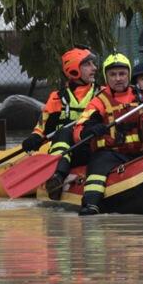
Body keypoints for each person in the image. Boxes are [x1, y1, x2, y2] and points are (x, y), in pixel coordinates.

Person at [73, 53, 143, 215]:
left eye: (122, 74)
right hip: (112, 154)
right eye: (113, 75)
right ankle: (90, 204)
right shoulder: (98, 101)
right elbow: (79, 130)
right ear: (106, 77)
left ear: (128, 74)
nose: (118, 78)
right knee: (98, 163)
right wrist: (92, 129)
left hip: (142, 151)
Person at [21, 47, 99, 200]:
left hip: (91, 147)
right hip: (67, 152)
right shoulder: (56, 98)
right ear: (74, 69)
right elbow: (42, 127)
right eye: (88, 64)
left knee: (65, 132)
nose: (94, 68)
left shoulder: (101, 93)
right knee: (63, 132)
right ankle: (56, 177)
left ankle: (57, 176)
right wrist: (35, 138)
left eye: (93, 64)